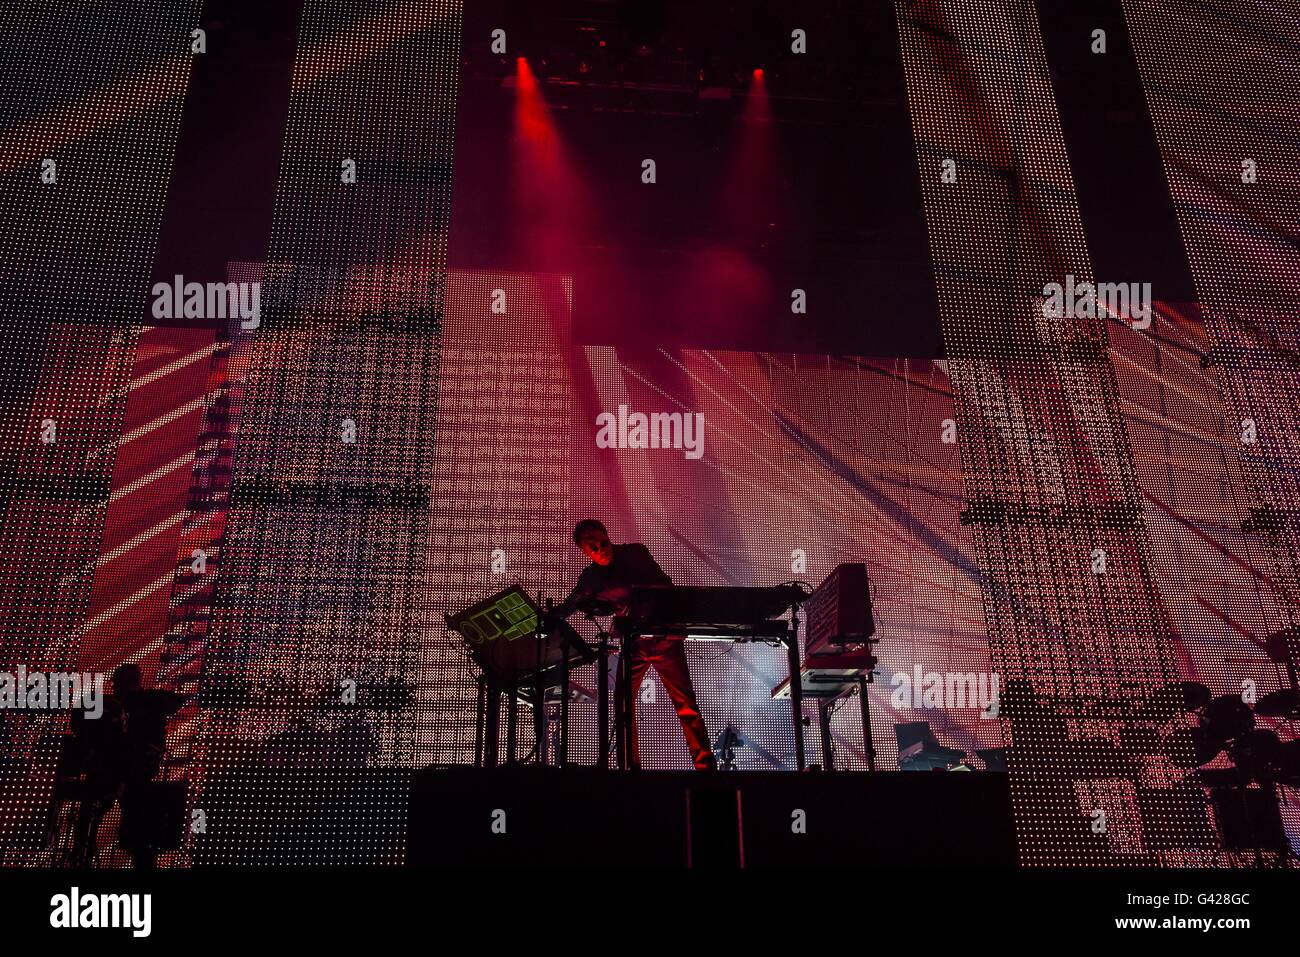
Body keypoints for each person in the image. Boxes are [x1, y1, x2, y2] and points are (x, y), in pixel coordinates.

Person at [554, 519, 716, 770]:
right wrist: (546, 616)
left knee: (685, 704)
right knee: (622, 705)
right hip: (634, 645)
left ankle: (706, 767)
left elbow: (663, 586)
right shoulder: (591, 578)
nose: (601, 549)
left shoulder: (635, 553)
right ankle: (629, 767)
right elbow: (570, 605)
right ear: (584, 553)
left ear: (609, 537)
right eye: (593, 548)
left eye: (603, 542)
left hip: (664, 638)